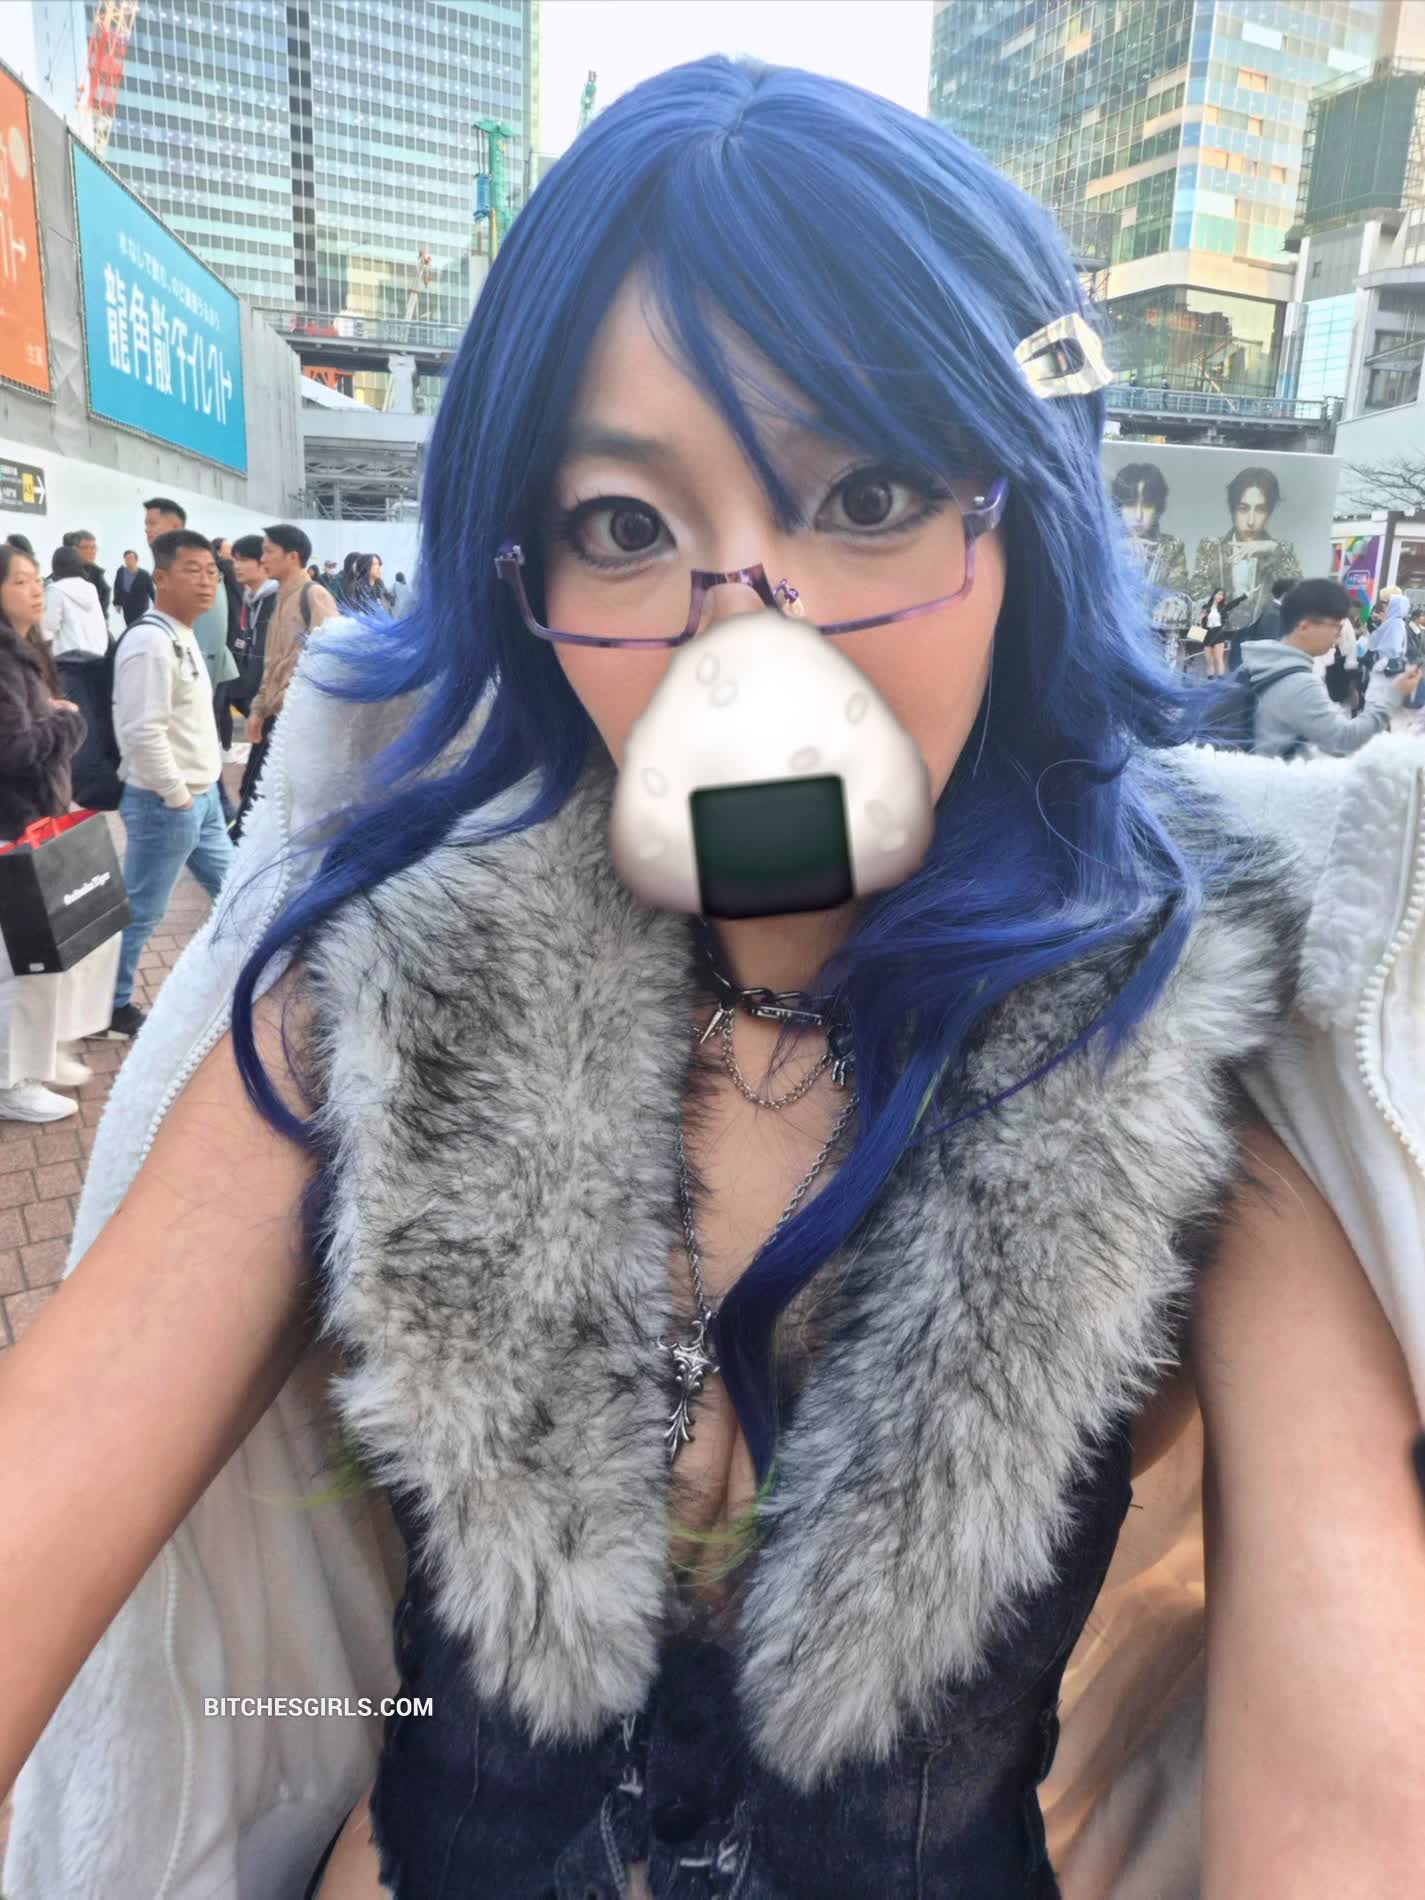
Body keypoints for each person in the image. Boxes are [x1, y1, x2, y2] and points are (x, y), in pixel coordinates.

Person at [5, 60, 1425, 1900]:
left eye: (869, 491)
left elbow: (1353, 1810)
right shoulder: (374, 1014)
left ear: (1022, 523)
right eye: (624, 526)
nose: (750, 635)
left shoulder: (1186, 1085)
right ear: (522, 574)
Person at [104, 530, 237, 1040]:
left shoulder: (181, 633)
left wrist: (202, 791)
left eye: (212, 572)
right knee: (140, 912)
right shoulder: (150, 643)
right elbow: (142, 732)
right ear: (160, 577)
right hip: (166, 803)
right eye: (192, 571)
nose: (206, 581)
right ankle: (108, 1009)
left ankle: (250, 977)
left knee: (238, 889)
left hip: (200, 801)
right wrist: (178, 795)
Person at [0, 543, 108, 1123]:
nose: (35, 589)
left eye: (34, 578)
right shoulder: (4, 660)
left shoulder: (24, 652)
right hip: (14, 825)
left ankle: (38, 1058)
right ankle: (12, 1081)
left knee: (45, 955)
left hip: (35, 820)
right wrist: (67, 723)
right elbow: (13, 750)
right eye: (19, 581)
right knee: (24, 964)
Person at [1238, 577, 1421, 758]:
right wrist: (1391, 695)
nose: (1339, 636)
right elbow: (1344, 740)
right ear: (1305, 626)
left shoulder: (1264, 660)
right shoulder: (1300, 683)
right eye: (1337, 626)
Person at [235, 522, 336, 839]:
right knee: (255, 796)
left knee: (262, 801)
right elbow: (272, 662)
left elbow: (331, 660)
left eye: (268, 551)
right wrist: (258, 708)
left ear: (292, 556)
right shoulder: (279, 598)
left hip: (297, 721)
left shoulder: (314, 595)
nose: (263, 558)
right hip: (276, 718)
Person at [1189, 465, 1302, 640]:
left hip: (1262, 643)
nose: (1250, 521)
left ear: (1269, 512)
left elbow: (1298, 598)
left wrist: (1272, 550)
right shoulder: (1212, 547)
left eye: (1260, 509)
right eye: (1243, 508)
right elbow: (1198, 595)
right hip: (1219, 639)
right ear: (1232, 509)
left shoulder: (1280, 550)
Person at [142, 497, 238, 695]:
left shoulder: (195, 569)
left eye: (152, 523)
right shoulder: (170, 565)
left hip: (201, 674)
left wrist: (202, 686)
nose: (147, 529)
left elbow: (211, 634)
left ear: (176, 526)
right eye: (146, 524)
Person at [216, 534, 277, 756]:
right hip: (255, 691)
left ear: (263, 563)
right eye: (234, 560)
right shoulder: (253, 599)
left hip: (273, 704)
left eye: (242, 560)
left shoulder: (278, 601)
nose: (236, 566)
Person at [1110, 461, 1187, 592]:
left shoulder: (1172, 548)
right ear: (1119, 506)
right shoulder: (1105, 547)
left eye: (1147, 505)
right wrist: (1116, 551)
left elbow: (1177, 596)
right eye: (1130, 505)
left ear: (1157, 508)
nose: (1138, 516)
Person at [41, 545, 108, 668]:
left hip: (69, 659)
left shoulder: (55, 590)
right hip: (96, 656)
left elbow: (50, 625)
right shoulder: (90, 588)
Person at [60, 529, 111, 621]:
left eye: (94, 547)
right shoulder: (63, 575)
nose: (92, 551)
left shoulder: (97, 574)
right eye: (87, 547)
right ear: (74, 549)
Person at [112, 548, 154, 628]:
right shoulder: (121, 572)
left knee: (141, 627)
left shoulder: (144, 574)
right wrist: (117, 603)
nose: (128, 560)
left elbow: (152, 591)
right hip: (127, 607)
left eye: (130, 558)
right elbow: (117, 587)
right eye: (126, 558)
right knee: (130, 628)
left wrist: (158, 605)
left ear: (136, 560)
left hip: (141, 608)